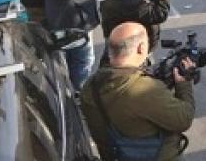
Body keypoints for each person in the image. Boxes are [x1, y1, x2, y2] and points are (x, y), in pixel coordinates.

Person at [80, 22, 195, 161]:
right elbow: (183, 119)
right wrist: (184, 84)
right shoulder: (145, 91)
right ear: (141, 48)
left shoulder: (90, 87)